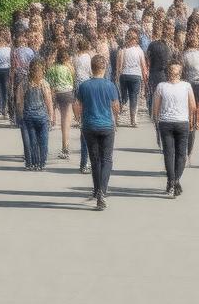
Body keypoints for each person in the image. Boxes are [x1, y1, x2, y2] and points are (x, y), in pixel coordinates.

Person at [75, 54, 120, 210]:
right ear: (105, 67)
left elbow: (77, 105)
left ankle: (96, 190)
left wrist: (78, 119)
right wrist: (116, 119)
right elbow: (115, 106)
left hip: (89, 125)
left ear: (91, 68)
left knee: (94, 159)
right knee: (106, 159)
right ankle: (102, 191)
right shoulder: (110, 86)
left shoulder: (84, 86)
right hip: (107, 125)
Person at [152, 60, 196, 197]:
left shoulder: (161, 86)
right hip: (182, 122)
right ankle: (176, 180)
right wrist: (191, 120)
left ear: (168, 73)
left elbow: (155, 107)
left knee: (168, 154)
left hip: (165, 123)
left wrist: (156, 121)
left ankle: (171, 181)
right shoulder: (187, 86)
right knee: (181, 155)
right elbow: (193, 106)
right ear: (180, 73)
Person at [17, 59, 52, 171]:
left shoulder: (24, 83)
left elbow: (19, 101)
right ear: (42, 70)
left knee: (33, 141)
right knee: (43, 140)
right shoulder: (44, 84)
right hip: (42, 116)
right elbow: (48, 101)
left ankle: (33, 163)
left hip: (28, 116)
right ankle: (42, 163)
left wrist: (20, 115)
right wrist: (51, 116)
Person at [46, 48, 76, 159]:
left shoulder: (52, 68)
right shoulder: (69, 68)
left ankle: (43, 147)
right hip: (67, 93)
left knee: (50, 119)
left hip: (55, 92)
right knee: (65, 122)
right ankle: (65, 146)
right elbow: (72, 80)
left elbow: (48, 81)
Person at [115, 29, 147, 127]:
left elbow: (119, 65)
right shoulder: (139, 50)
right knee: (134, 98)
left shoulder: (122, 50)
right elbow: (143, 65)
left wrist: (117, 76)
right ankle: (133, 120)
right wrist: (145, 78)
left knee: (123, 97)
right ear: (136, 40)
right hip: (136, 76)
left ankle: (117, 117)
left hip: (124, 75)